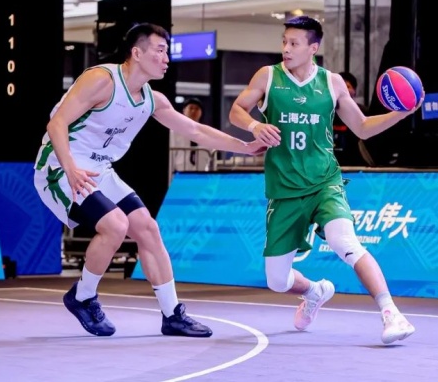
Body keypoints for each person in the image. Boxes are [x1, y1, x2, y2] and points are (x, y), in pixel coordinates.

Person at [33, 23, 266, 338]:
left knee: (147, 228)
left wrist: (246, 147)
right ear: (137, 53)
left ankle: (172, 315)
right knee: (116, 225)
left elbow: (196, 131)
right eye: (160, 50)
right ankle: (83, 296)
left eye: (167, 52)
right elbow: (56, 123)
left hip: (99, 169)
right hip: (60, 166)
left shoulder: (152, 100)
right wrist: (71, 167)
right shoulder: (101, 80)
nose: (166, 58)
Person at [229, 15, 421, 345]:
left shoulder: (331, 83)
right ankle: (315, 291)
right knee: (277, 281)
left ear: (313, 48)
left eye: (294, 43)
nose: (286, 48)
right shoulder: (268, 76)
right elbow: (236, 110)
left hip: (324, 183)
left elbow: (362, 128)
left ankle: (392, 313)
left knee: (346, 243)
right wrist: (255, 125)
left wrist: (400, 114)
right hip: (285, 190)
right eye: (284, 41)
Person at [170, 97, 212, 172]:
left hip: (201, 173)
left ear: (201, 112)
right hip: (181, 172)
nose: (193, 111)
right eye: (191, 108)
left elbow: (211, 155)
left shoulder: (207, 133)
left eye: (197, 108)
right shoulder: (175, 131)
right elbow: (171, 155)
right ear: (184, 110)